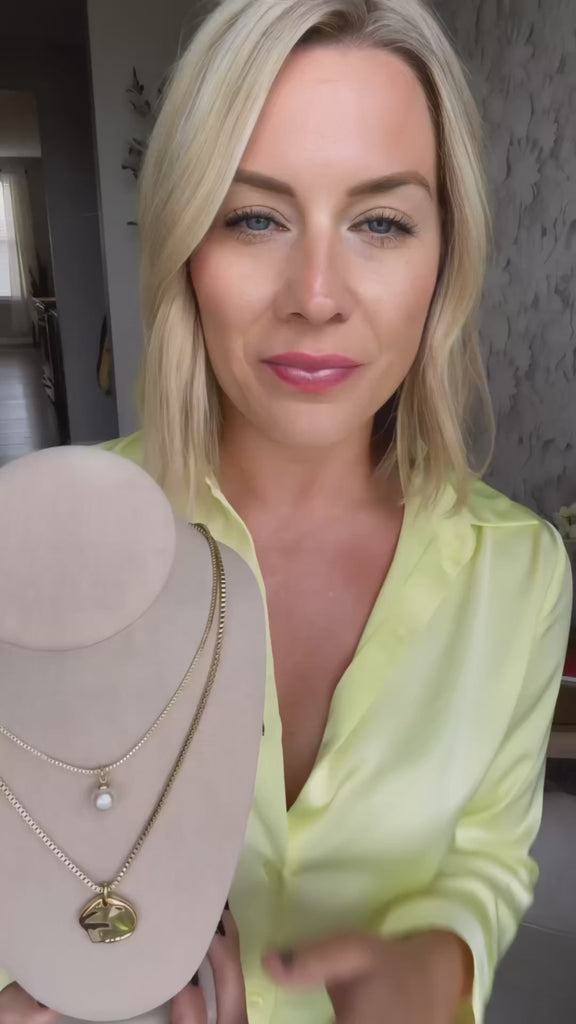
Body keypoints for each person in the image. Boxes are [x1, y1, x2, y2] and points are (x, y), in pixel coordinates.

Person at [1, 0, 572, 1022]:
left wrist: (439, 969)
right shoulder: (43, 546)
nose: (316, 294)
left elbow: (489, 860)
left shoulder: (519, 572)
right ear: (188, 244)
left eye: (380, 223)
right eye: (255, 217)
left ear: (446, 258)